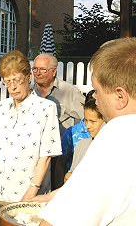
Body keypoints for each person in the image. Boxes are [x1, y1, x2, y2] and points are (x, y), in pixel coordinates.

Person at [38, 37, 136, 226]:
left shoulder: (119, 135)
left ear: (120, 96)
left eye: (97, 90)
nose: (95, 98)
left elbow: (61, 222)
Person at [0, 50, 61, 202]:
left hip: (27, 195)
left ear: (29, 77)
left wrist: (32, 190)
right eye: (8, 81)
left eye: (17, 80)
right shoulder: (1, 107)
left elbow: (46, 156)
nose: (12, 87)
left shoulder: (46, 109)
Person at [32, 53, 85, 189]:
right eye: (35, 69)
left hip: (58, 157)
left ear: (54, 71)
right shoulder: (29, 92)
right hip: (34, 155)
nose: (38, 73)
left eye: (43, 69)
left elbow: (89, 116)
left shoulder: (69, 92)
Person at [64, 90, 104, 182]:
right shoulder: (81, 144)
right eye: (86, 120)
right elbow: (70, 171)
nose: (87, 126)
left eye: (93, 121)